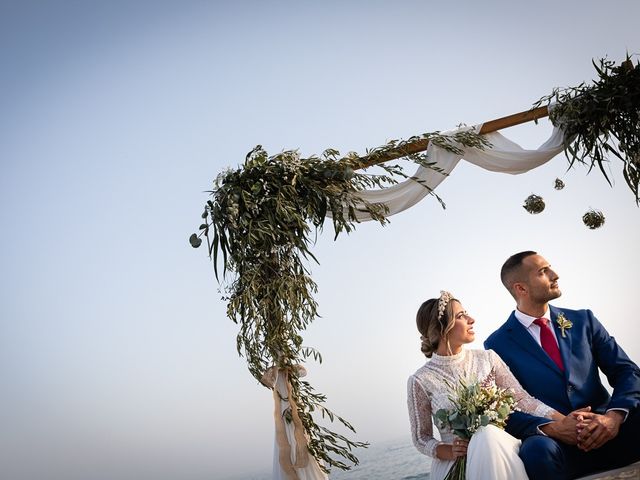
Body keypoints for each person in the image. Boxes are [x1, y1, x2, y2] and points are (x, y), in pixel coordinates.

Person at [485, 251, 640, 479]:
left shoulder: (584, 320)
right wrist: (552, 428)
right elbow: (503, 410)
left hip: (610, 431)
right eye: (543, 272)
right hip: (557, 446)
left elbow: (626, 370)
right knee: (535, 450)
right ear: (521, 288)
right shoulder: (497, 344)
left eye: (550, 268)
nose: (555, 275)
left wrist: (613, 417)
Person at [407, 291, 563, 480]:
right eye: (460, 316)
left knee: (488, 434)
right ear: (442, 328)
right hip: (455, 464)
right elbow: (421, 438)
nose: (471, 319)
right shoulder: (420, 380)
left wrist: (564, 420)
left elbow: (522, 400)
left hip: (500, 452)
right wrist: (450, 451)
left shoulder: (487, 358)